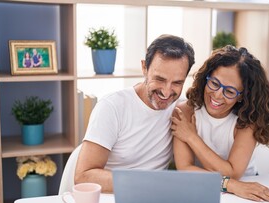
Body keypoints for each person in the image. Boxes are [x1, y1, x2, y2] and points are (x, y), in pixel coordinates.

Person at [74, 34, 195, 193]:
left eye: (177, 82)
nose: (166, 92)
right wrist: (146, 183)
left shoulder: (180, 109)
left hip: (152, 202)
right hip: (111, 198)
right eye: (159, 79)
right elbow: (83, 177)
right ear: (144, 68)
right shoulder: (112, 107)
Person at [171, 45, 269, 202]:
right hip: (206, 187)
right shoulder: (185, 112)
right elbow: (185, 168)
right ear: (206, 78)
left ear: (241, 96)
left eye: (230, 92)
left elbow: (233, 173)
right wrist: (230, 185)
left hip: (248, 189)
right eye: (215, 84)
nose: (217, 95)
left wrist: (191, 137)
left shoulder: (246, 121)